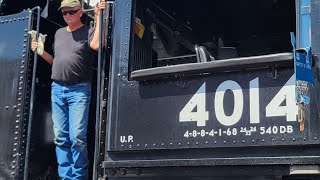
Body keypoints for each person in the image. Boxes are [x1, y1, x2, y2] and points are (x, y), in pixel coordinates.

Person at [31, 0, 106, 179]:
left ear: (80, 12)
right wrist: (40, 51)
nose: (67, 16)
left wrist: (98, 16)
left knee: (77, 137)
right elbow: (55, 61)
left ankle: (78, 176)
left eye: (71, 12)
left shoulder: (88, 31)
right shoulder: (58, 33)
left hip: (79, 90)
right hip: (57, 88)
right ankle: (66, 176)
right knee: (61, 137)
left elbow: (97, 45)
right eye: (64, 13)